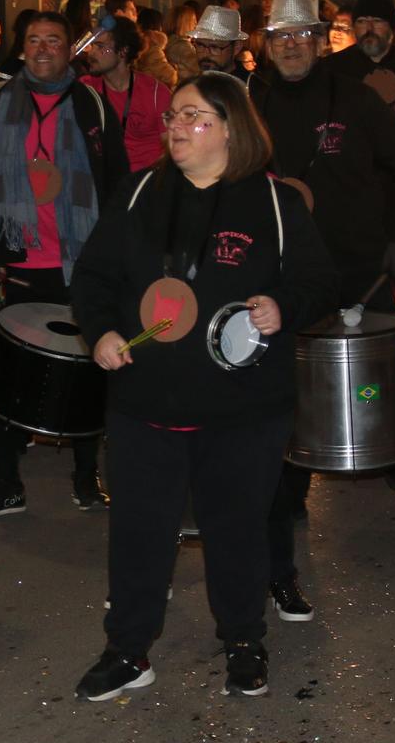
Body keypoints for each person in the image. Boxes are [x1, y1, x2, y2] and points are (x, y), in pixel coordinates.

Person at [69, 72, 337, 701]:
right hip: (145, 404)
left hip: (242, 410)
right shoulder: (137, 193)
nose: (176, 128)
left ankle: (243, 640)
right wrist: (101, 331)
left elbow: (321, 283)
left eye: (194, 117)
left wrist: (282, 306)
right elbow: (93, 278)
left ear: (231, 129)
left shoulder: (275, 204)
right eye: (173, 118)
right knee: (138, 532)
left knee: (237, 529)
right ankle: (128, 651)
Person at [254, 0, 395, 519]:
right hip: (288, 268)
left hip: (360, 260)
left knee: (377, 375)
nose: (290, 46)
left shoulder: (354, 98)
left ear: (317, 39)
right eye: (279, 37)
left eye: (299, 35)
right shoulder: (255, 101)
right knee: (287, 376)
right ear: (267, 46)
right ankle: (291, 484)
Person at [0, 10, 129, 516]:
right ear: (22, 47)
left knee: (87, 373)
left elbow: (117, 182)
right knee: (1, 376)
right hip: (12, 267)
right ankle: (6, 480)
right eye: (33, 40)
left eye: (54, 41)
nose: (43, 49)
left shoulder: (91, 103)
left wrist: (111, 258)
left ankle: (84, 475)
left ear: (70, 49)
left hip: (78, 267)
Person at [80, 14, 172, 173]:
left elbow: (171, 147)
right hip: (104, 181)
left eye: (100, 47)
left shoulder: (156, 93)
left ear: (123, 51)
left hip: (146, 182)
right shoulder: (85, 88)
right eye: (92, 46)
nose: (91, 53)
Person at [329, 0, 395, 118]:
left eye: (377, 21)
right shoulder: (332, 68)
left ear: (391, 27)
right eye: (362, 21)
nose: (369, 29)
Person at [185, 5, 248, 78]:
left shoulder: (250, 86)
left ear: (237, 47)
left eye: (214, 47)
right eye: (200, 45)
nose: (205, 54)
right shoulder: (193, 84)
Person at [164, 2, 200, 82]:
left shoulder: (171, 42)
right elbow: (200, 69)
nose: (196, 24)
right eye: (193, 20)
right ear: (185, 23)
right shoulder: (183, 47)